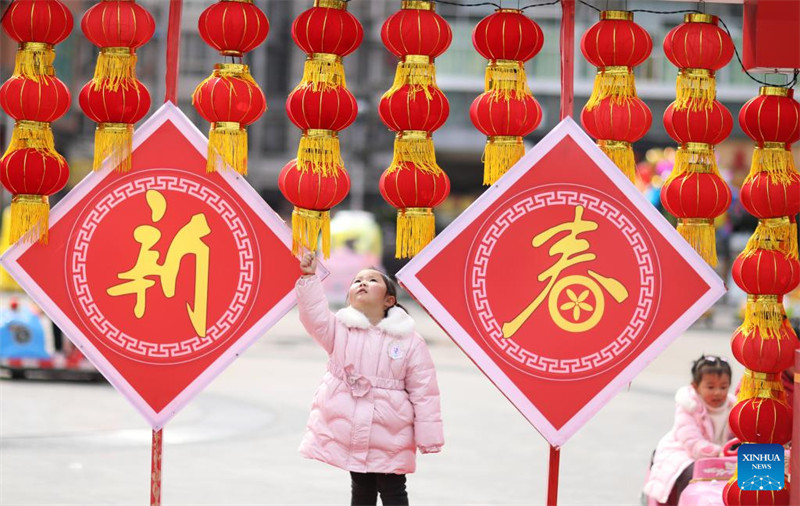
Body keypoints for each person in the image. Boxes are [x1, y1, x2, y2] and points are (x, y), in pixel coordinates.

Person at [295, 252, 444, 506]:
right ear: (349, 297)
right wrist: (309, 278)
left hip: (392, 430)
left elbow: (424, 390)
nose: (362, 283)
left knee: (393, 489)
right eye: (357, 281)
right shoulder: (339, 330)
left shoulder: (408, 341)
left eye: (372, 280)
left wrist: (429, 436)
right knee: (361, 486)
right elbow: (314, 316)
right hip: (353, 426)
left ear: (389, 300)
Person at [643, 355, 735, 505]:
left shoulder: (733, 407)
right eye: (710, 387)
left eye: (723, 387)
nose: (717, 392)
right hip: (684, 452)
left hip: (721, 455)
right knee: (691, 474)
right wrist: (718, 452)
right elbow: (692, 442)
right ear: (695, 386)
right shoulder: (688, 406)